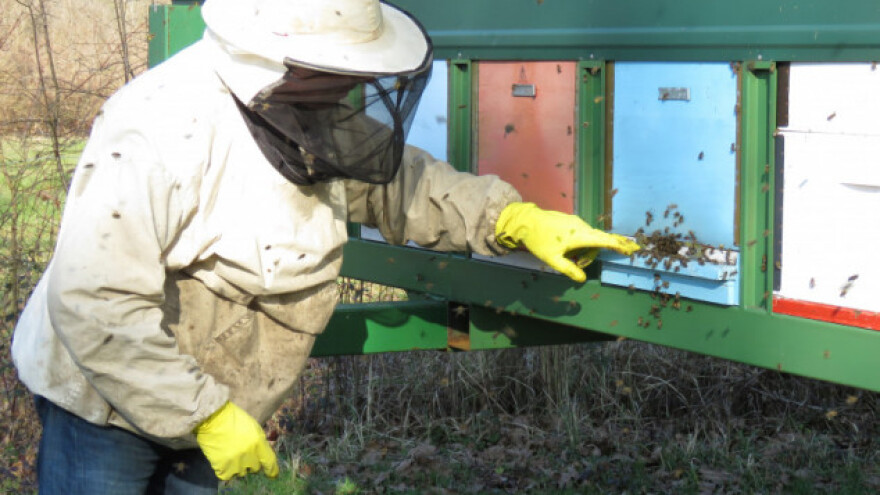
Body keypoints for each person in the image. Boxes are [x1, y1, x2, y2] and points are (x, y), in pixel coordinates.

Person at [11, 0, 639, 492]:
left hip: (213, 398)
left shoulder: (302, 110)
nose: (354, 84)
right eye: (338, 70)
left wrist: (514, 220)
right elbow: (95, 299)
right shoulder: (159, 127)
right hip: (106, 403)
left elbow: (403, 185)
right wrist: (201, 415)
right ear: (286, 62)